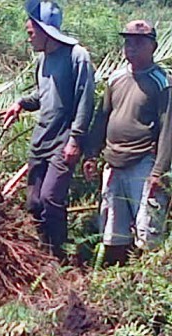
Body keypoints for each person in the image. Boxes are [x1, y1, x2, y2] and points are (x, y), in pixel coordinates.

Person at [4, 0, 95, 258]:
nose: (29, 38)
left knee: (50, 199)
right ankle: (44, 253)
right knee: (33, 203)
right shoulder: (42, 60)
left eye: (31, 33)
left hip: (63, 140)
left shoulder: (77, 57)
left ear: (45, 31)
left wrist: (76, 139)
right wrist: (21, 103)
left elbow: (85, 100)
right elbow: (44, 96)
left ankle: (59, 257)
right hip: (40, 140)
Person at [83, 20, 172, 265]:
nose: (131, 47)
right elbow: (102, 117)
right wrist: (91, 153)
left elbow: (168, 130)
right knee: (113, 229)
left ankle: (144, 283)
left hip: (143, 163)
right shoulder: (116, 78)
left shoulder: (161, 82)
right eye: (128, 42)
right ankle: (116, 278)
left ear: (152, 46)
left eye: (138, 42)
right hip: (114, 161)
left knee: (147, 230)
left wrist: (158, 172)